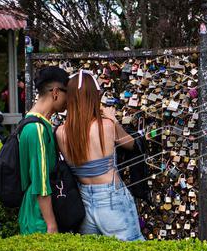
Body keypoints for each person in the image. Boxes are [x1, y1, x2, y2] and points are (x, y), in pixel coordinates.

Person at [56, 69, 143, 241]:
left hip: (83, 200)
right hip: (112, 197)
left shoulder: (60, 132)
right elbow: (131, 144)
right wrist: (114, 120)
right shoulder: (106, 125)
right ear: (93, 96)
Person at [17, 67, 70, 234]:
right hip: (39, 219)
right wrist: (51, 225)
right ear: (55, 92)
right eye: (67, 92)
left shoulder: (36, 122)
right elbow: (40, 183)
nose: (69, 99)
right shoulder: (36, 129)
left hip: (37, 213)